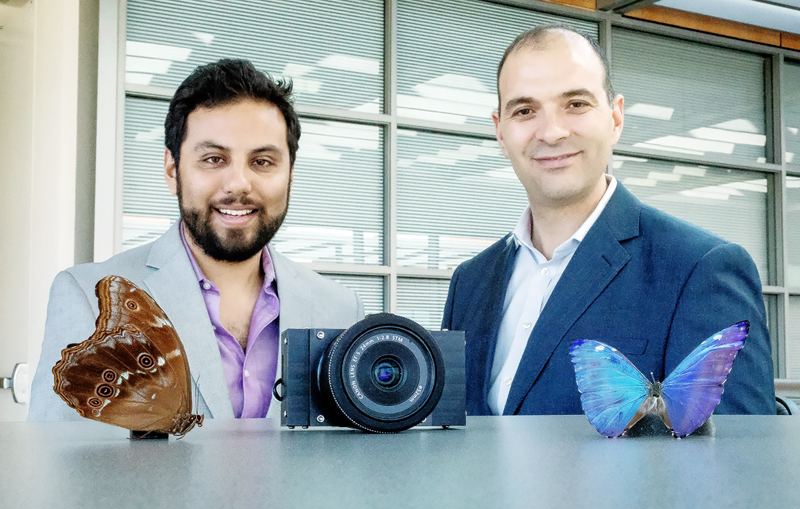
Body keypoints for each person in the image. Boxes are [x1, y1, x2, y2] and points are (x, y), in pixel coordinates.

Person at [441, 25, 775, 416]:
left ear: (615, 118)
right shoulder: (471, 281)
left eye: (576, 104)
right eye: (525, 110)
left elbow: (739, 458)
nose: (551, 132)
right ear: (500, 131)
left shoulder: (700, 269)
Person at [29, 59, 364, 421]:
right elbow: (56, 466)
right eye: (214, 159)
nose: (238, 184)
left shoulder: (341, 310)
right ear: (173, 171)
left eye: (263, 161)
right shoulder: (87, 296)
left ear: (290, 176)